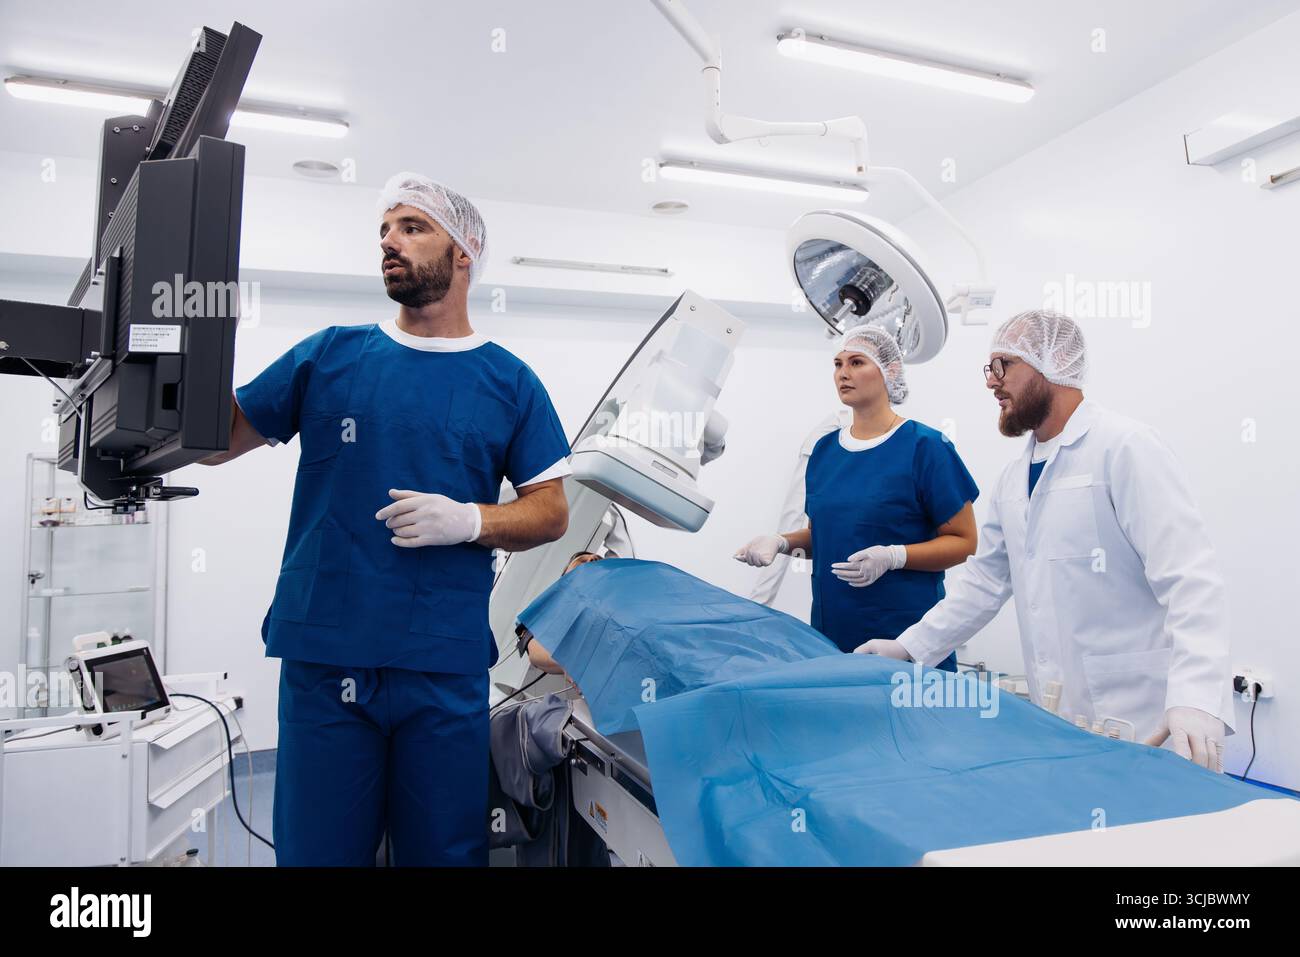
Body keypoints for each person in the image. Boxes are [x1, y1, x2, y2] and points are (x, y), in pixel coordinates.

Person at [202, 172, 572, 864]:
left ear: (465, 252)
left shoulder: (508, 381)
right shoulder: (330, 356)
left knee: (443, 854)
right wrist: (162, 361)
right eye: (384, 230)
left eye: (412, 227)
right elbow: (216, 441)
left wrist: (470, 521)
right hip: (326, 659)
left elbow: (551, 511)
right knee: (318, 853)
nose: (389, 242)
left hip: (439, 662)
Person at [858, 310, 1233, 771]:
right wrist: (909, 647)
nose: (991, 383)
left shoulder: (1126, 447)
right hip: (1059, 717)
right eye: (988, 369)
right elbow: (984, 584)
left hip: (1149, 716)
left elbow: (1190, 577)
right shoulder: (1014, 477)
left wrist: (1197, 696)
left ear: (1052, 363)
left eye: (1004, 366)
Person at [734, 325, 979, 668]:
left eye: (856, 362)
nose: (843, 374)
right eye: (837, 364)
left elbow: (964, 542)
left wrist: (894, 556)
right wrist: (781, 542)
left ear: (889, 372)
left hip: (906, 641)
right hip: (832, 637)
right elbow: (827, 537)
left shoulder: (926, 448)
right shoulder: (825, 451)